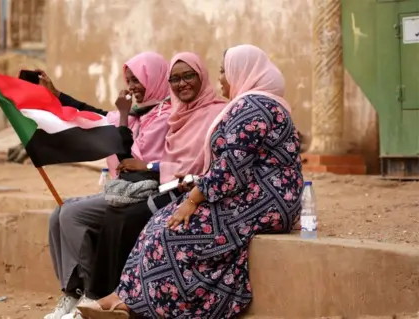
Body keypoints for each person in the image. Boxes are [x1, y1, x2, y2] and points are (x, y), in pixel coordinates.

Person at [78, 44, 303, 319]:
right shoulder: (253, 103)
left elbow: (231, 168)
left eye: (224, 71)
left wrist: (193, 199)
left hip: (265, 201)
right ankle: (123, 297)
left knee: (173, 233)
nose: (221, 78)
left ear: (241, 71)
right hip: (250, 194)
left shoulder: (252, 107)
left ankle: (148, 306)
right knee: (158, 223)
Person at [72, 52, 226, 318]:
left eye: (188, 76)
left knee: (133, 217)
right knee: (116, 215)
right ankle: (101, 295)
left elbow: (200, 163)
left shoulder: (215, 112)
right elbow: (168, 160)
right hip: (171, 186)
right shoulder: (178, 113)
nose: (182, 84)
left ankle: (121, 298)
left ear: (202, 76)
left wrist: (153, 168)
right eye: (175, 79)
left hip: (198, 191)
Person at [44, 51, 172, 319]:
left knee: (72, 214)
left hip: (144, 193)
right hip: (121, 192)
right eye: (129, 80)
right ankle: (71, 293)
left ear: (156, 78)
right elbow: (91, 114)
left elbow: (127, 157)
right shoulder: (135, 113)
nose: (133, 87)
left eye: (139, 79)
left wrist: (124, 116)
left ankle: (91, 293)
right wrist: (56, 95)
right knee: (58, 212)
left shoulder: (165, 116)